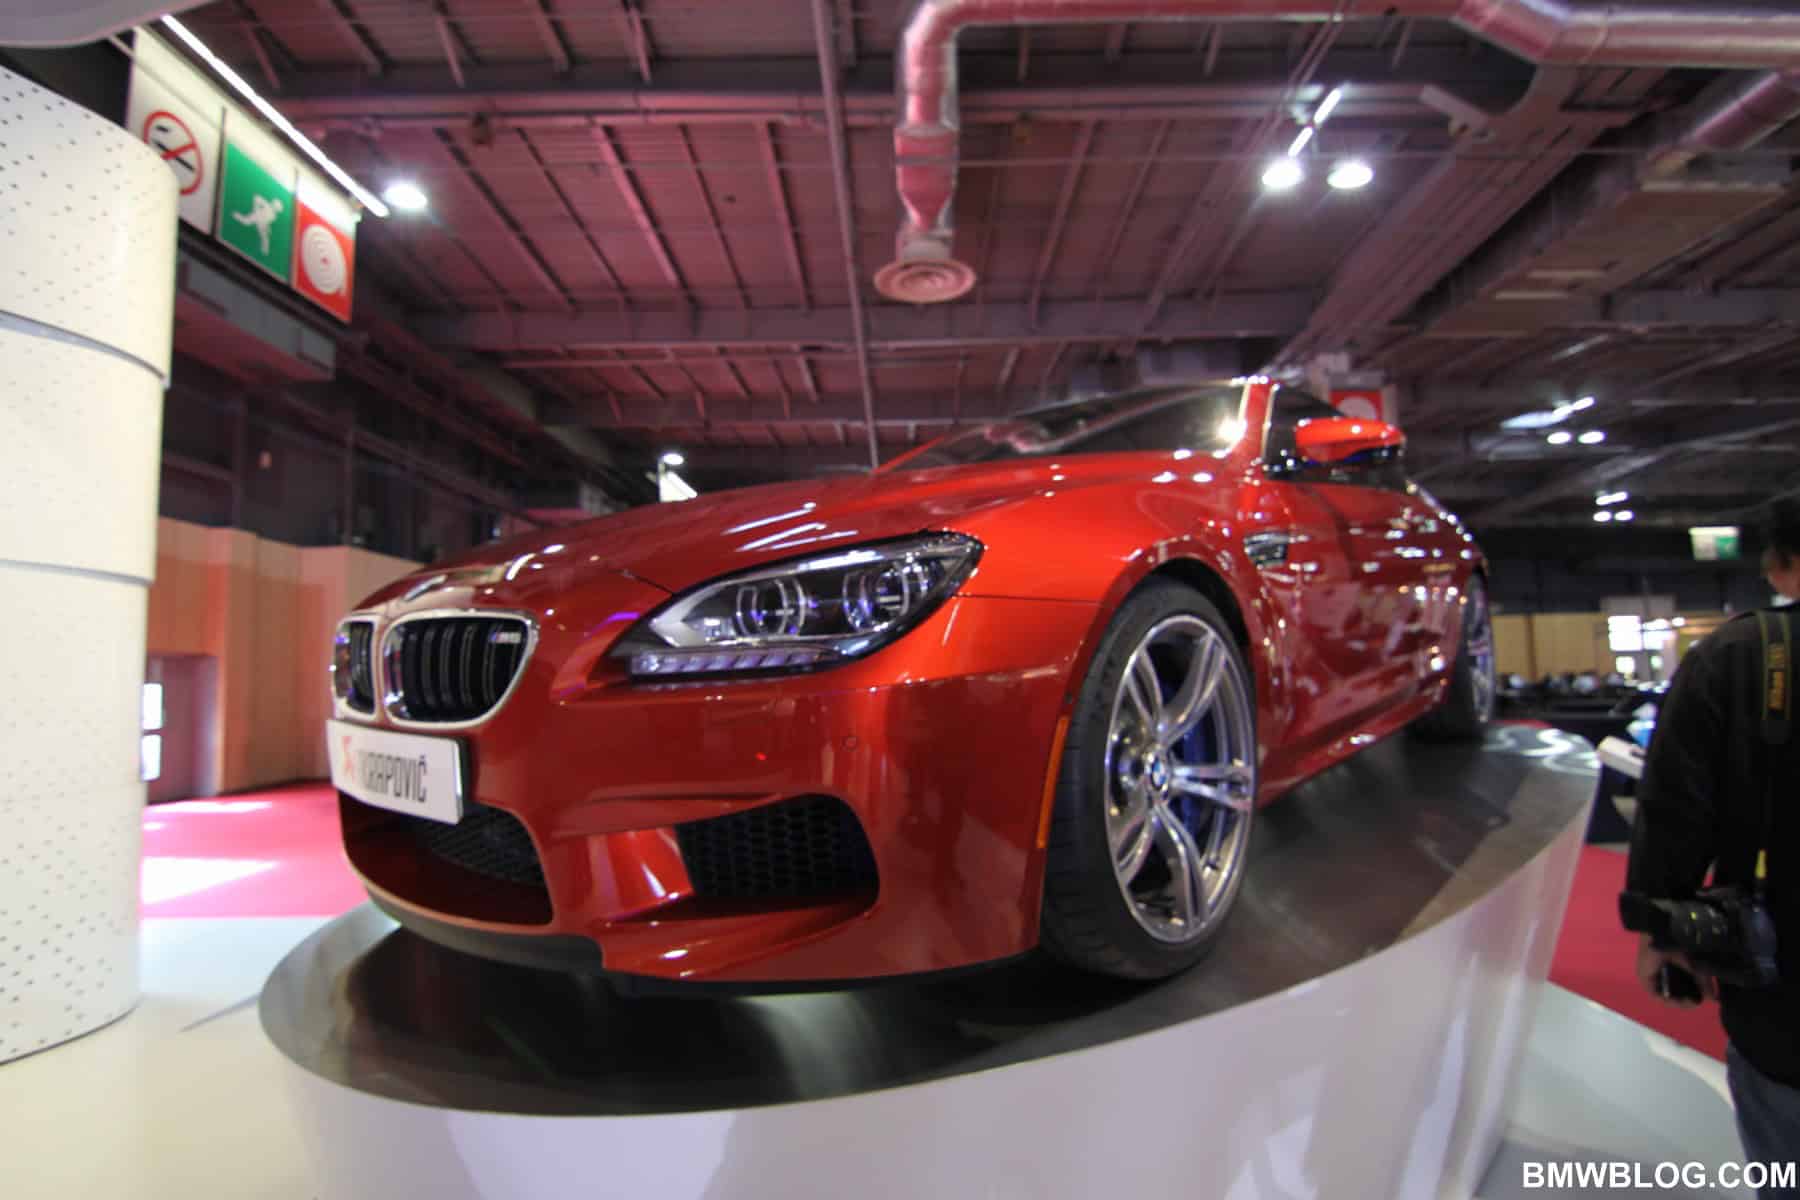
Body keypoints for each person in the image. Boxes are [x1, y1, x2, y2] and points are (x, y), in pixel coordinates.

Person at [1628, 496, 1799, 1191]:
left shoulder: (1738, 657)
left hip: (1782, 984)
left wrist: (1663, 930)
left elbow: (1675, 808)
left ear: (1779, 564)